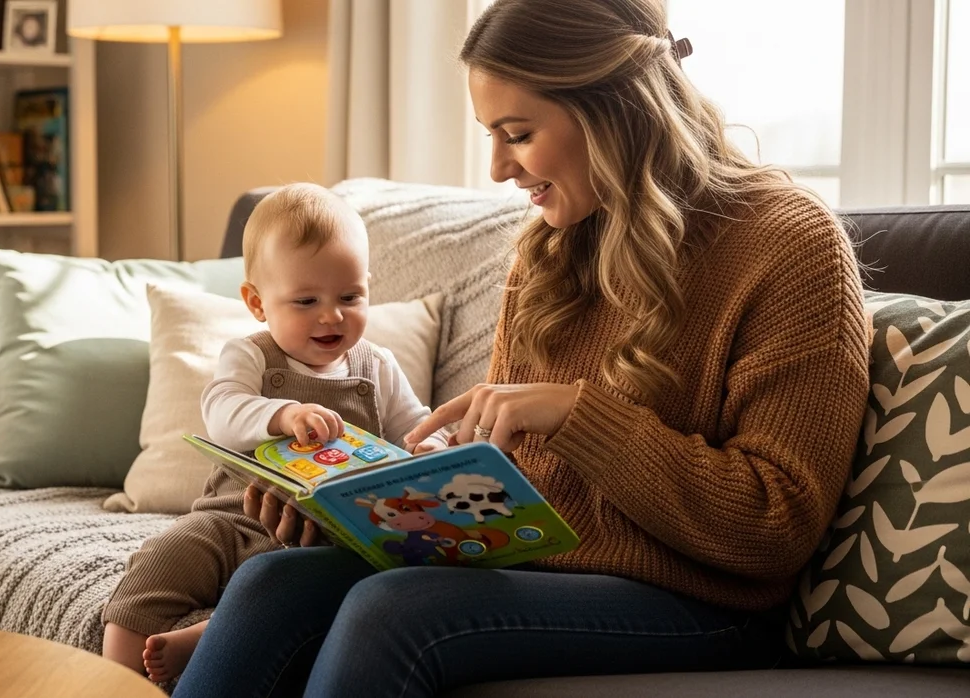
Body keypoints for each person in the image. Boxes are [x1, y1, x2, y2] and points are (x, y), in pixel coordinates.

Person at [174, 0, 871, 695]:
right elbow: (500, 488)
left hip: (703, 604)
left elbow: (776, 524)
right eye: (491, 135)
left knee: (392, 612)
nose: (498, 167)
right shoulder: (550, 250)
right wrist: (350, 511)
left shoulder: (790, 243)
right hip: (531, 568)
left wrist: (579, 417)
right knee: (270, 584)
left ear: (613, 109)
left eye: (518, 134)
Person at [101, 183, 447, 682]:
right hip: (230, 519)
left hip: (327, 537)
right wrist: (283, 415)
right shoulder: (251, 355)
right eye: (306, 300)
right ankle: (113, 680)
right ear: (257, 302)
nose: (331, 315)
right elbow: (221, 411)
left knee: (309, 587)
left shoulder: (377, 366)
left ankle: (207, 637)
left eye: (350, 296)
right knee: (159, 561)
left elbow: (414, 425)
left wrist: (430, 444)